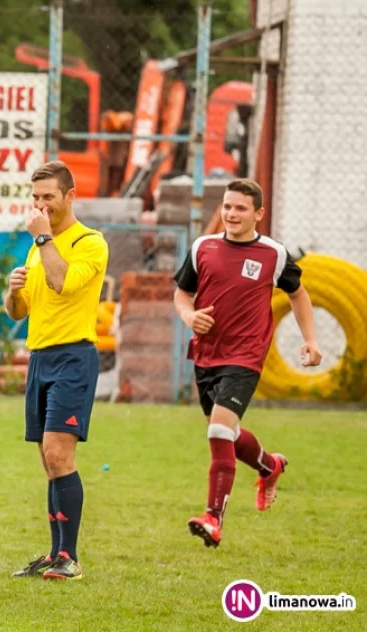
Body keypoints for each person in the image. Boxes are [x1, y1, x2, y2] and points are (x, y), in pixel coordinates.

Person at [173, 178, 321, 548]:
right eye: (227, 206)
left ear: (258, 213)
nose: (232, 214)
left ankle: (213, 518)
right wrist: (190, 318)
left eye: (240, 208)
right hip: (206, 354)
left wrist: (311, 341)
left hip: (246, 356)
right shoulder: (202, 247)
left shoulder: (273, 253)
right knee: (229, 433)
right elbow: (181, 293)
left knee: (219, 431)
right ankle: (270, 466)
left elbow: (298, 295)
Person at [4, 160, 109, 581]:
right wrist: (11, 293)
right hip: (40, 358)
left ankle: (70, 557)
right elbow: (18, 313)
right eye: (36, 198)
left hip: (73, 358)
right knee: (49, 461)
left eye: (49, 197)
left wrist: (43, 237)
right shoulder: (37, 247)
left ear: (70, 196)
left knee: (58, 453)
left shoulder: (89, 242)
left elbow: (63, 282)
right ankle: (53, 554)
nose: (41, 205)